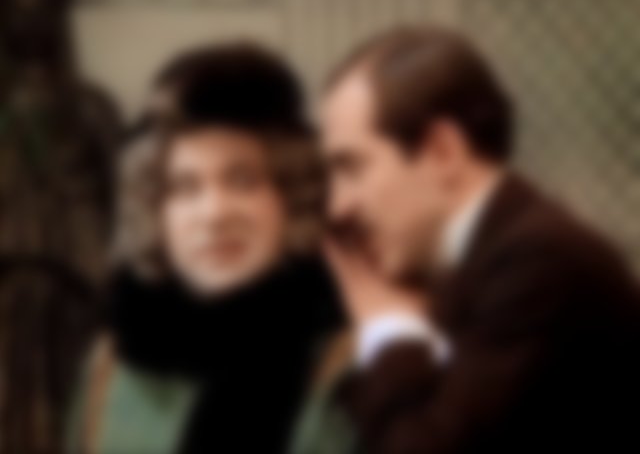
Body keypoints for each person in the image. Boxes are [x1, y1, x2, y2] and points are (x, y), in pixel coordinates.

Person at [295, 26, 640, 454]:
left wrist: (388, 327)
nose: (338, 207)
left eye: (352, 168)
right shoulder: (482, 259)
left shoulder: (540, 263)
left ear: (443, 151)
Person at [67, 43, 343, 454]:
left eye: (243, 181)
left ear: (294, 197)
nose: (214, 214)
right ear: (154, 211)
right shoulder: (108, 365)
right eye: (185, 187)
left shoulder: (349, 362)